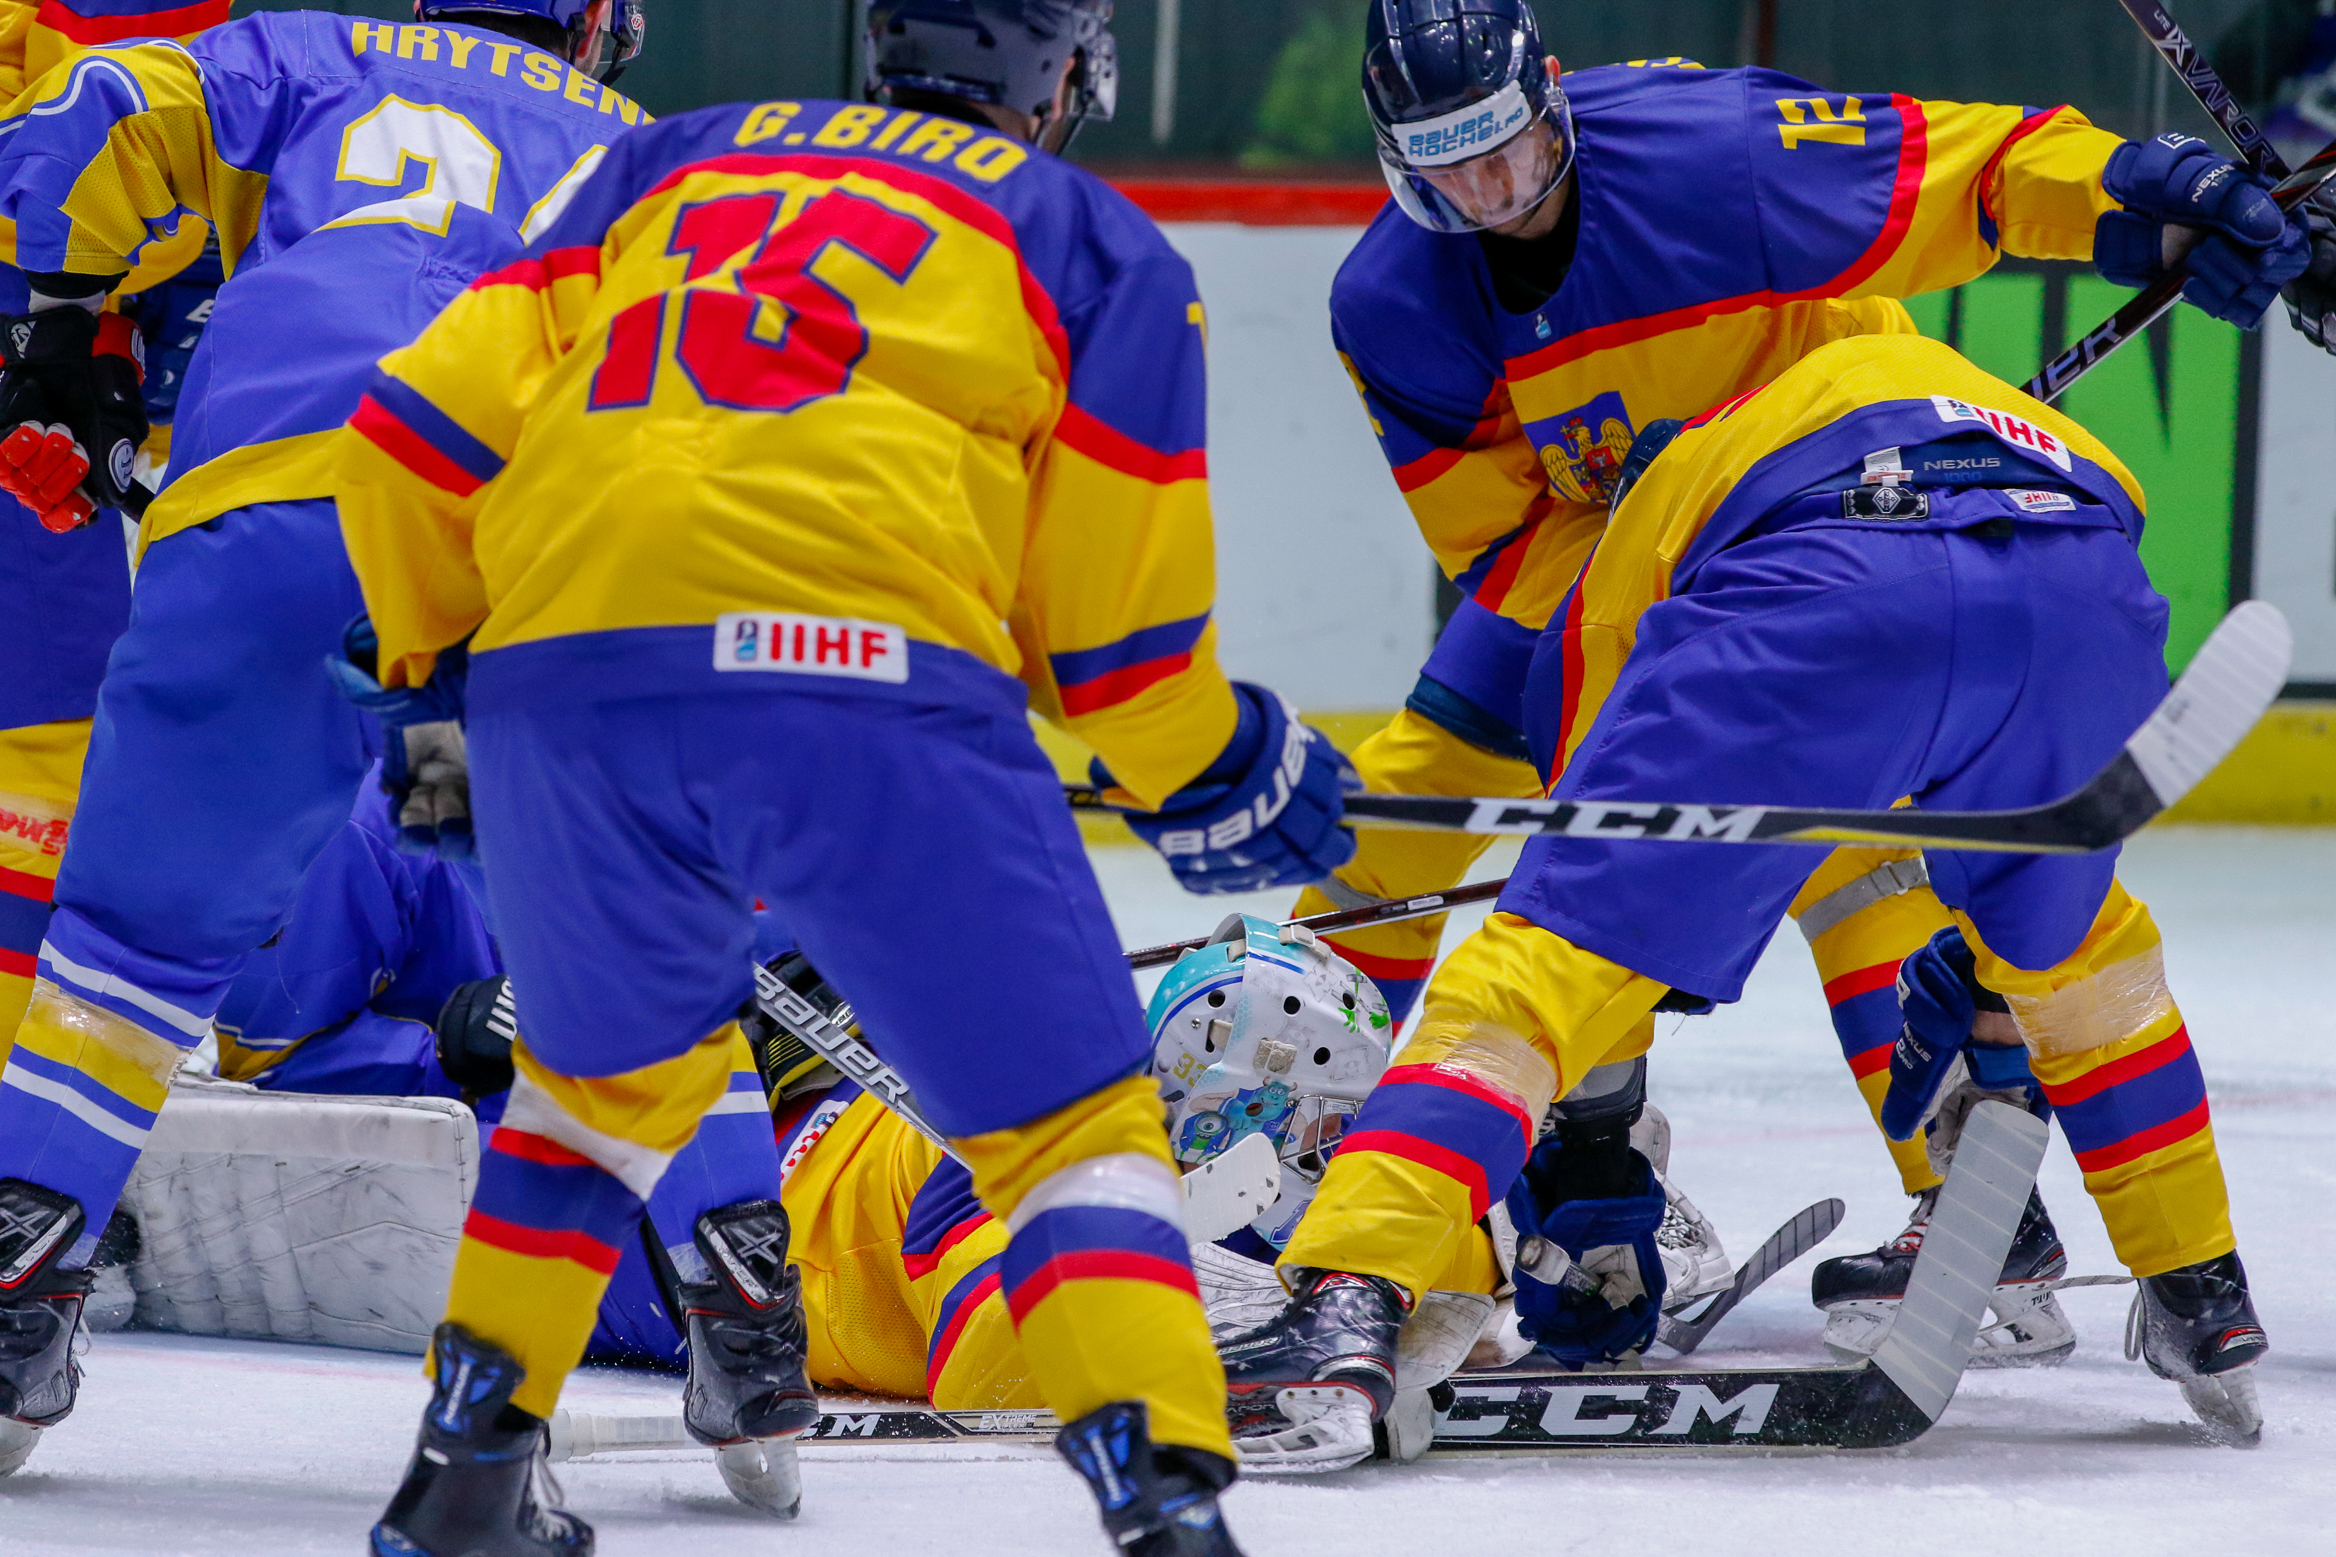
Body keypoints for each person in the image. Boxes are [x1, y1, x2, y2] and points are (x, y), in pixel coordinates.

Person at [332, 2, 1355, 1550]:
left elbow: (402, 433)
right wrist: (1233, 767)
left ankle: (464, 1475)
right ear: (1066, 75)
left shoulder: (658, 163)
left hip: (564, 686)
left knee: (596, 1095)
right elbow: (1120, 661)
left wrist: (440, 668)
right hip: (862, 689)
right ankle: (1169, 1514)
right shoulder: (1087, 237)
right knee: (1074, 1136)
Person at [1291, 0, 2321, 1361]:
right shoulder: (1393, 304)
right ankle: (1301, 1138)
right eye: (1442, 167)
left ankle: (1962, 1205)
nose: (1485, 194)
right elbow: (1508, 544)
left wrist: (2166, 204)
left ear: (1551, 95)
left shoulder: (1709, 147)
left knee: (1784, 864)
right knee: (1410, 814)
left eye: (1507, 149)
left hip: (1837, 525)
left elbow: (1989, 171)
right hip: (1623, 546)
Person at [1222, 330, 2271, 1450]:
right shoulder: (1892, 371)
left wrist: (1591, 1133)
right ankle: (2198, 1291)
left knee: (1534, 969)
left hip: (1824, 601)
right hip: (2084, 589)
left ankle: (1349, 1293)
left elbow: (1598, 885)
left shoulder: (1641, 521)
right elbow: (1974, 605)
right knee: (2085, 972)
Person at [0, 0, 648, 1482]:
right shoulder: (639, 151)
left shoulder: (304, 52)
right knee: (613, 938)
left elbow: (87, 109)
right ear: (600, 19)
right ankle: (738, 1297)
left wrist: (52, 319)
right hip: (491, 580)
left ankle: (18, 1266)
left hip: (265, 533)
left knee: (127, 950)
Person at [0, 0, 230, 1061]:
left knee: (48, 782)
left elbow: (176, 249)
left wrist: (103, 364)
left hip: (59, 488)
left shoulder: (231, 83)